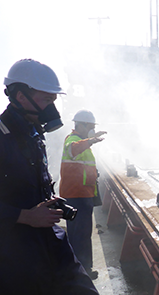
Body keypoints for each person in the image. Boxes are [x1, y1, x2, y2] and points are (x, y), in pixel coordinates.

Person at [0, 59, 99, 295]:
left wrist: (49, 199)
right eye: (47, 100)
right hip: (13, 250)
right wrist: (25, 216)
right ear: (21, 96)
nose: (52, 110)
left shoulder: (34, 134)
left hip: (50, 240)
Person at [59, 110, 106, 280]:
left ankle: (84, 267)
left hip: (84, 194)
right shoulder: (73, 140)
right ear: (82, 125)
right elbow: (72, 150)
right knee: (78, 234)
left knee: (84, 234)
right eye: (91, 127)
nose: (92, 130)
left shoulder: (82, 141)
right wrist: (91, 141)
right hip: (75, 195)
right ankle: (79, 270)